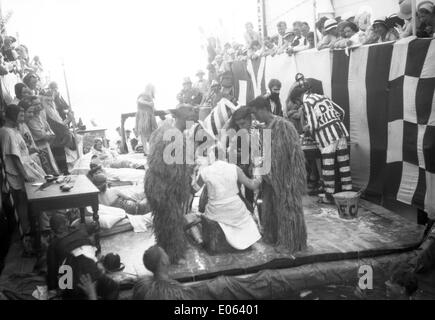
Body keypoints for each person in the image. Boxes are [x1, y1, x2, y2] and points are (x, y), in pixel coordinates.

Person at [248, 96, 307, 253]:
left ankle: (291, 244)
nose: (254, 117)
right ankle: (274, 237)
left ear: (264, 109)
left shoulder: (285, 126)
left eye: (255, 113)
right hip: (270, 181)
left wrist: (291, 181)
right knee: (270, 210)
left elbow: (296, 157)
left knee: (287, 212)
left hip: (286, 181)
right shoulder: (264, 128)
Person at [145, 105, 197, 264]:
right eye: (190, 111)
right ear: (181, 115)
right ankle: (173, 257)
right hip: (162, 186)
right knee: (171, 220)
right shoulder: (172, 134)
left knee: (166, 220)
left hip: (160, 184)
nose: (194, 112)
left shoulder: (169, 131)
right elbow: (160, 164)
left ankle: (166, 251)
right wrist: (185, 170)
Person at [289, 79, 352, 204]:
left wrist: (306, 129)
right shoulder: (323, 97)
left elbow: (314, 124)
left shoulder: (307, 103)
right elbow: (341, 112)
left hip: (327, 138)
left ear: (298, 99)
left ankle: (329, 196)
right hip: (341, 132)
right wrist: (334, 123)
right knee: (344, 165)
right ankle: (348, 193)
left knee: (328, 167)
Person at [195, 146, 262, 255]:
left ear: (211, 157)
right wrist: (258, 170)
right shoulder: (234, 168)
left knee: (197, 216)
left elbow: (194, 190)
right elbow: (253, 185)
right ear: (225, 156)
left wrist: (192, 174)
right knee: (248, 215)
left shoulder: (205, 172)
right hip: (236, 211)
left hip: (216, 212)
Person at [0, 105, 46, 255]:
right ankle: (26, 235)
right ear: (12, 116)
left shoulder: (14, 130)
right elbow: (14, 156)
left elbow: (21, 151)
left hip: (25, 168)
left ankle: (34, 232)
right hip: (17, 174)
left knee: (29, 202)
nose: (22, 119)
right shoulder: (6, 132)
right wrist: (25, 175)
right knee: (23, 204)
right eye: (20, 116)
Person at [25, 96, 60, 176]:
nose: (38, 106)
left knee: (53, 170)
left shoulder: (41, 117)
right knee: (47, 173)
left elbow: (51, 133)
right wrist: (47, 134)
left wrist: (47, 134)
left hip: (47, 146)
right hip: (39, 149)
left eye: (39, 103)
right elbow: (42, 135)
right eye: (35, 104)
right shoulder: (31, 120)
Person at [136, 84, 158, 156]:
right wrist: (148, 103)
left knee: (151, 132)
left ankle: (151, 149)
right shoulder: (143, 94)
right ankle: (146, 150)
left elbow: (152, 107)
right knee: (143, 132)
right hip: (144, 115)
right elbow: (139, 101)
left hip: (149, 115)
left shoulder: (150, 97)